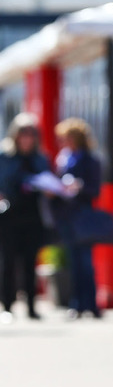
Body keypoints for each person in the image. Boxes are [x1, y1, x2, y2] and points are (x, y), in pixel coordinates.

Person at [0, 113, 50, 320]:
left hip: (33, 215)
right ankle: (8, 306)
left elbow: (48, 181)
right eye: (23, 134)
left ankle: (31, 306)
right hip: (9, 215)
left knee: (30, 262)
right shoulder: (5, 157)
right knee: (8, 262)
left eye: (30, 134)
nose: (27, 139)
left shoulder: (40, 158)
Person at [54, 118, 102, 319]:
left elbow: (94, 190)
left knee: (85, 262)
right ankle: (76, 304)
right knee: (73, 262)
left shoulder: (91, 159)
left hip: (83, 215)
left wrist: (79, 187)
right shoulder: (63, 159)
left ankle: (90, 304)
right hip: (67, 216)